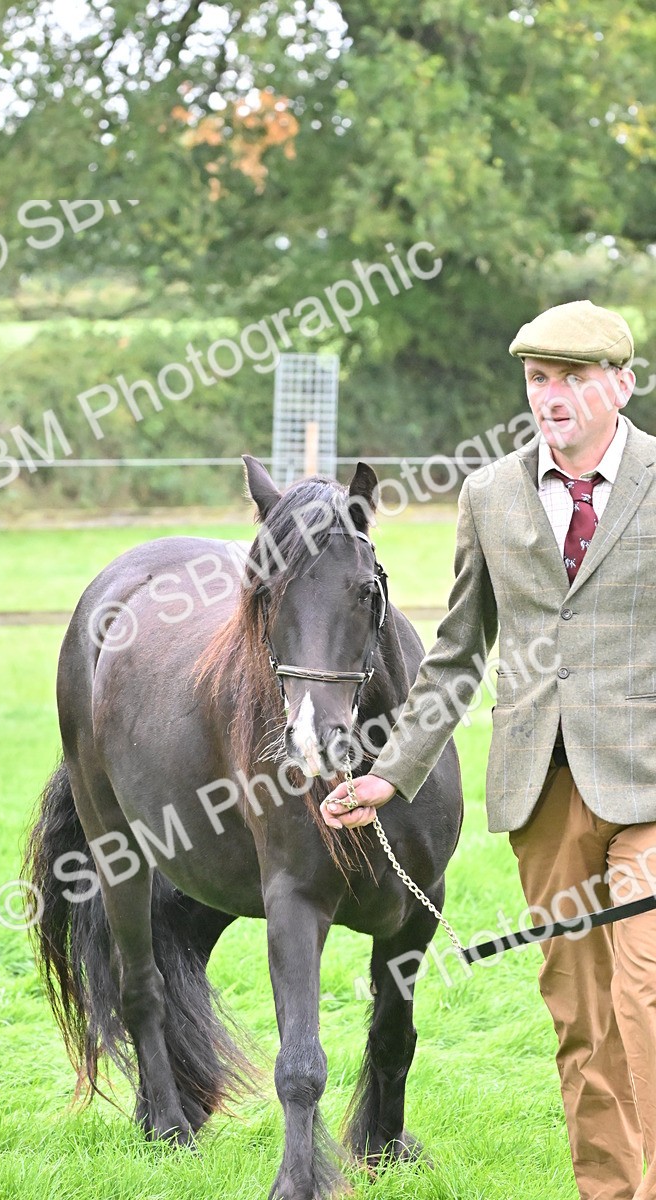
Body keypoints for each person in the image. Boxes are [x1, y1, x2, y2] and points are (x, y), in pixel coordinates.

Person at [322, 300, 656, 1200]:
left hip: (653, 793)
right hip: (540, 796)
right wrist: (388, 777)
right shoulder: (490, 494)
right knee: (582, 1019)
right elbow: (457, 658)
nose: (553, 397)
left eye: (575, 379)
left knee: (646, 996)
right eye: (539, 379)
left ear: (620, 386)